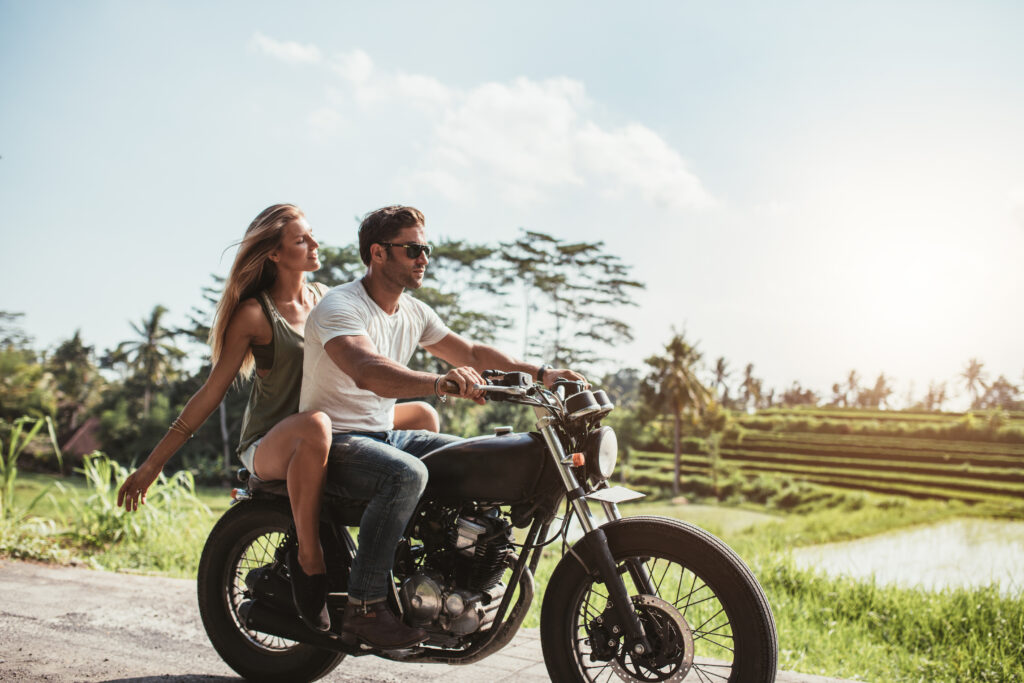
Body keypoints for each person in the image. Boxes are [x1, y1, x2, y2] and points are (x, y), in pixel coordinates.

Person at [115, 203, 438, 633]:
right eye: (302, 239)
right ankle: (309, 557)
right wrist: (153, 465)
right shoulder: (256, 314)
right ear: (275, 254)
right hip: (274, 440)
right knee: (315, 425)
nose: (315, 244)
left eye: (312, 235)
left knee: (423, 415)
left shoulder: (328, 298)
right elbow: (211, 393)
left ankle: (388, 552)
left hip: (333, 429)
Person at [299, 205, 585, 649]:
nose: (423, 257)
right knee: (405, 474)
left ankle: (446, 577)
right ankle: (366, 607)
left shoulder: (413, 312)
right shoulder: (341, 306)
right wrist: (438, 382)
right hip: (335, 441)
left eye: (425, 248)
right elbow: (365, 370)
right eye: (413, 248)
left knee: (474, 459)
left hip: (383, 434)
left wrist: (542, 373)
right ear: (378, 253)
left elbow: (469, 351)